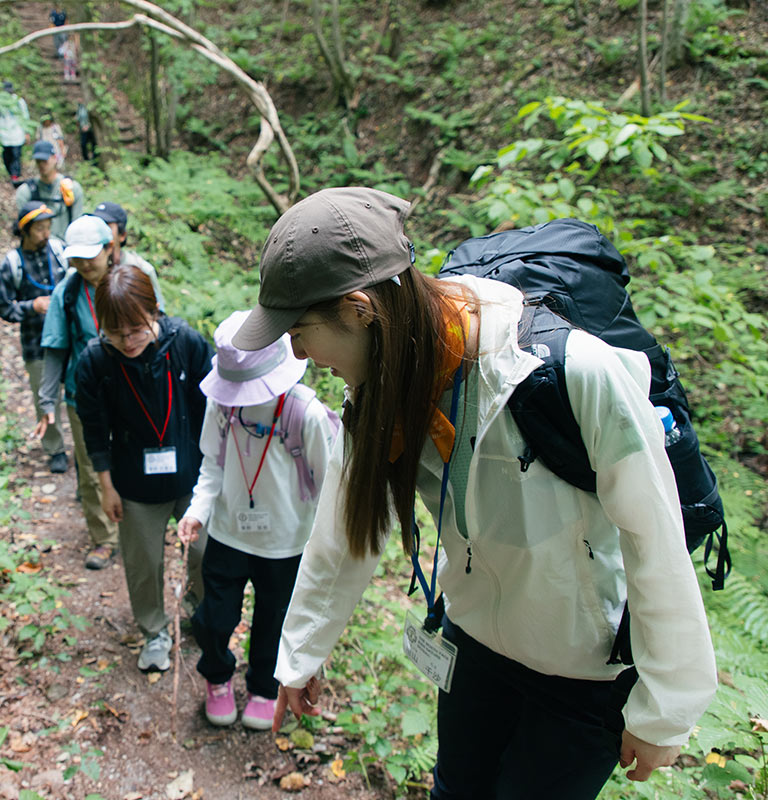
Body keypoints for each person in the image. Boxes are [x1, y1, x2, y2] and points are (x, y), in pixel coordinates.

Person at [233, 187, 717, 799]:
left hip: (582, 670)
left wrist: (664, 708)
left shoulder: (569, 372)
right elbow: (343, 530)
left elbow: (654, 534)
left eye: (299, 331)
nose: (296, 352)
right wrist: (301, 655)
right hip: (475, 647)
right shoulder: (381, 390)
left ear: (360, 309)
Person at [177, 310, 337, 730]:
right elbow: (212, 464)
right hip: (228, 534)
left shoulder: (306, 414)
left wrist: (324, 551)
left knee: (273, 620)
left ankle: (265, 688)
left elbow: (328, 488)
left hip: (286, 544)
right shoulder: (222, 403)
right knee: (213, 617)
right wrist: (197, 511)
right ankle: (218, 678)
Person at [73, 265, 213, 672]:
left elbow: (213, 406)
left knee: (205, 551)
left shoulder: (185, 343)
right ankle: (154, 630)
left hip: (192, 475)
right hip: (133, 482)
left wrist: (216, 476)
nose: (127, 342)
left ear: (154, 313)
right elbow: (93, 429)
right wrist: (105, 485)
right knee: (142, 561)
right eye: (115, 334)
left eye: (135, 330)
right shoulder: (96, 362)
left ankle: (196, 610)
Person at [34, 216, 121, 570]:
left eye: (91, 256)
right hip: (83, 395)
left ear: (109, 249)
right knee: (90, 469)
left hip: (133, 390)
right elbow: (55, 349)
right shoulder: (66, 293)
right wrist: (46, 400)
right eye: (77, 257)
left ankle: (137, 526)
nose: (84, 264)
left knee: (133, 460)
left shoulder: (131, 281)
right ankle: (104, 538)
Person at [0, 201, 70, 474]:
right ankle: (55, 448)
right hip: (35, 343)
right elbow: (3, 308)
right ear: (24, 230)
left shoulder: (61, 252)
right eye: (39, 229)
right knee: (45, 397)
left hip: (69, 338)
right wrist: (31, 307)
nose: (46, 233)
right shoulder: (11, 264)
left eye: (48, 227)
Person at [90, 202, 164, 310]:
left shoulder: (142, 270)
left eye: (106, 225)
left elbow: (159, 313)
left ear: (122, 235)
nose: (101, 231)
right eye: (97, 225)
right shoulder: (85, 271)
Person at [14, 141, 85, 240]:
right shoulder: (26, 191)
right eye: (38, 161)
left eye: (45, 160)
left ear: (55, 158)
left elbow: (77, 224)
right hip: (38, 247)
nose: (41, 165)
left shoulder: (72, 189)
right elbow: (23, 228)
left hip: (66, 246)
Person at [0, 81, 31, 188]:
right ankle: (12, 174)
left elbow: (25, 116)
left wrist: (27, 132)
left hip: (17, 134)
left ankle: (15, 176)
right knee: (7, 156)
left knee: (16, 155)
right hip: (4, 135)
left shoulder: (19, 101)